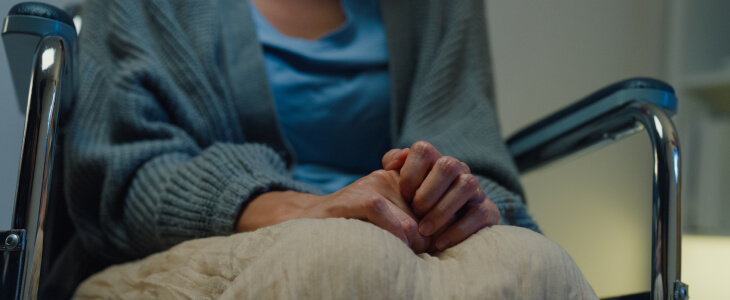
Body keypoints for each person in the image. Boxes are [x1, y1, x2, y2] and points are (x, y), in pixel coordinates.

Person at [44, 0, 541, 297]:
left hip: (409, 236)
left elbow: (476, 160)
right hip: (204, 236)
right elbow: (119, 175)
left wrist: (453, 198)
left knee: (536, 268)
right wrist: (302, 208)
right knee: (343, 262)